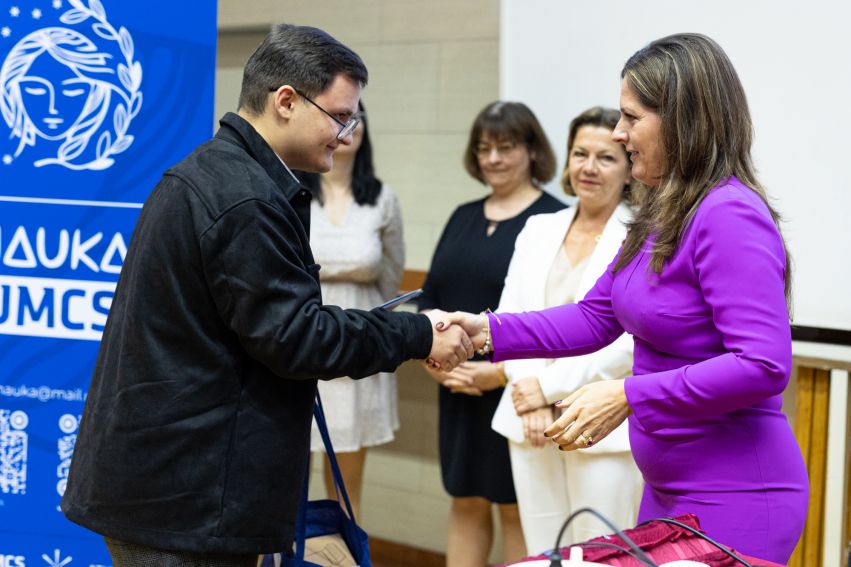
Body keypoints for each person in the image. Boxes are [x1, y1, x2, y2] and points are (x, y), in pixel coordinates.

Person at [60, 24, 472, 566]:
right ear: (285, 101)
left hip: (172, 487)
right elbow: (297, 337)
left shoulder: (216, 173)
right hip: (187, 499)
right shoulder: (244, 198)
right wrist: (418, 333)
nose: (347, 135)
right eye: (340, 117)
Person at [436, 34, 808, 564]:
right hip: (668, 493)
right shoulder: (662, 212)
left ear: (681, 121)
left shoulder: (728, 214)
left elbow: (764, 364)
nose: (618, 132)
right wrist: (484, 332)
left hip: (739, 496)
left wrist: (629, 394)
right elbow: (594, 316)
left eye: (632, 118)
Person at [419, 101, 566, 567]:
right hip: (457, 385)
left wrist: (498, 374)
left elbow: (561, 318)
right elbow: (433, 294)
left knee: (515, 508)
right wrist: (435, 361)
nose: (493, 159)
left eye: (505, 147)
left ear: (531, 150)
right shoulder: (463, 214)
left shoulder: (554, 219)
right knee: (464, 500)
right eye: (484, 149)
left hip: (519, 391)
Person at [492, 106, 643, 552]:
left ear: (629, 167)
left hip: (601, 426)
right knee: (543, 551)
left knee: (601, 553)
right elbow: (510, 318)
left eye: (606, 157)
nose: (589, 167)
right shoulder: (539, 228)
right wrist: (529, 394)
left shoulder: (644, 234)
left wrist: (548, 388)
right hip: (528, 420)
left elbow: (630, 340)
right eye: (580, 154)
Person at [296, 103, 403, 521]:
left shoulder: (381, 198)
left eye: (356, 120)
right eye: (340, 118)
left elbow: (391, 276)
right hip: (303, 336)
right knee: (288, 483)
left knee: (345, 487)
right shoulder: (296, 190)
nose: (348, 128)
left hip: (359, 340)